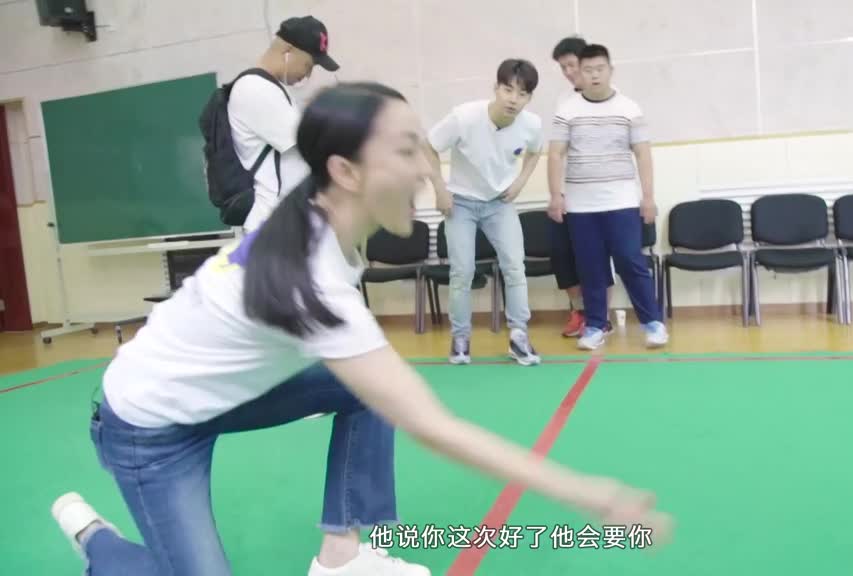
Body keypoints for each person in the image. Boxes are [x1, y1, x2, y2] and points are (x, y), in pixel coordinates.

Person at [50, 83, 671, 576]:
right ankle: (98, 542)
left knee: (365, 386)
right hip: (148, 426)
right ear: (346, 171)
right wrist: (590, 494)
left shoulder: (322, 220)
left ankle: (342, 555)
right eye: (405, 152)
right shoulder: (309, 279)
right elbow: (433, 426)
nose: (426, 170)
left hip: (217, 393)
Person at [547, 44, 669, 351]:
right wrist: (555, 195)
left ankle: (653, 324)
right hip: (581, 206)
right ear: (580, 73)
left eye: (600, 69)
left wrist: (648, 197)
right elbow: (555, 154)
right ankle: (595, 326)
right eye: (588, 70)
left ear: (610, 70)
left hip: (622, 202)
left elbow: (643, 154)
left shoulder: (629, 108)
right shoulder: (567, 110)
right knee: (591, 267)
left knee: (630, 261)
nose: (594, 75)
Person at [424, 59, 543, 366]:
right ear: (496, 88)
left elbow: (535, 151)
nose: (513, 99)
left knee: (514, 267)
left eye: (522, 94)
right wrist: (439, 189)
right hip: (460, 203)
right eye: (508, 90)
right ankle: (460, 338)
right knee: (462, 271)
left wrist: (520, 182)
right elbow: (428, 145)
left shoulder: (531, 124)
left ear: (529, 98)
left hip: (499, 203)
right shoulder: (464, 117)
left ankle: (519, 336)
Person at [230, 15, 339, 232]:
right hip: (272, 227)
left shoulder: (271, 88)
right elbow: (310, 145)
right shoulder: (255, 88)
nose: (308, 74)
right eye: (308, 65)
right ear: (288, 50)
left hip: (286, 224)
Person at [550, 36, 615, 338]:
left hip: (603, 195)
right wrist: (557, 193)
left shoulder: (610, 100)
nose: (568, 72)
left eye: (572, 65)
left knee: (598, 258)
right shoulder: (564, 103)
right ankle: (580, 312)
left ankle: (602, 316)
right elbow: (558, 151)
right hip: (570, 192)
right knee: (562, 253)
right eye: (563, 68)